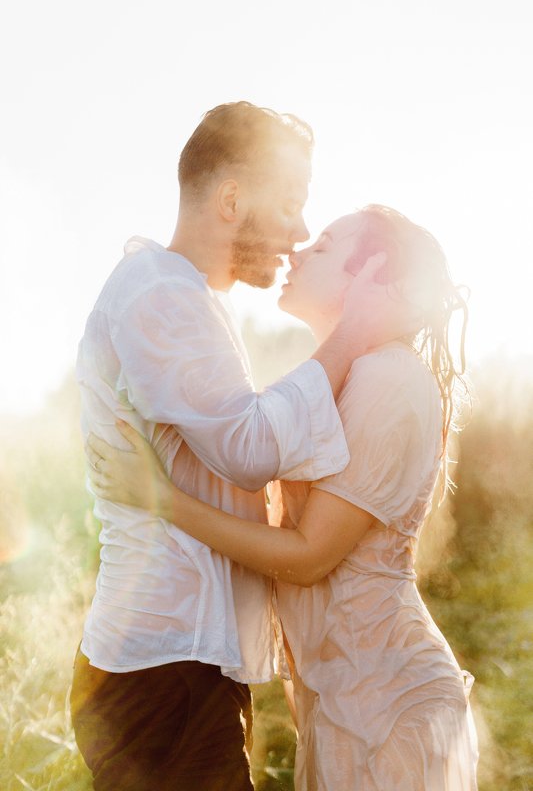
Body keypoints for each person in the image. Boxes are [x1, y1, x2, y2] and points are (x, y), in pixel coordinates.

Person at [72, 103, 410, 791]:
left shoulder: (183, 296)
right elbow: (248, 448)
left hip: (179, 661)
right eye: (288, 204)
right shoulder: (159, 295)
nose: (301, 232)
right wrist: (351, 333)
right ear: (231, 199)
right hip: (162, 666)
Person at [88, 205, 479, 791]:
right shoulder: (344, 376)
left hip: (388, 697)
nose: (296, 251)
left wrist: (161, 499)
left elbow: (309, 557)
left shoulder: (390, 380)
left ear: (373, 280)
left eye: (321, 247)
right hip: (340, 695)